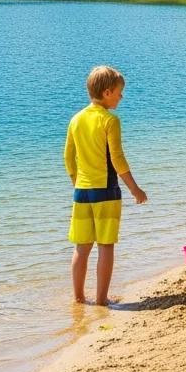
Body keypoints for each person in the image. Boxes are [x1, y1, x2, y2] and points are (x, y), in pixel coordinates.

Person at [64, 65, 148, 305]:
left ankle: (79, 298)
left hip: (81, 192)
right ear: (108, 92)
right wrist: (134, 188)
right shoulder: (110, 120)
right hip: (106, 191)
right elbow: (117, 158)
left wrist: (76, 181)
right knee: (105, 245)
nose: (122, 97)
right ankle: (101, 300)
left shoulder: (76, 119)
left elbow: (68, 158)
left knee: (82, 247)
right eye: (120, 92)